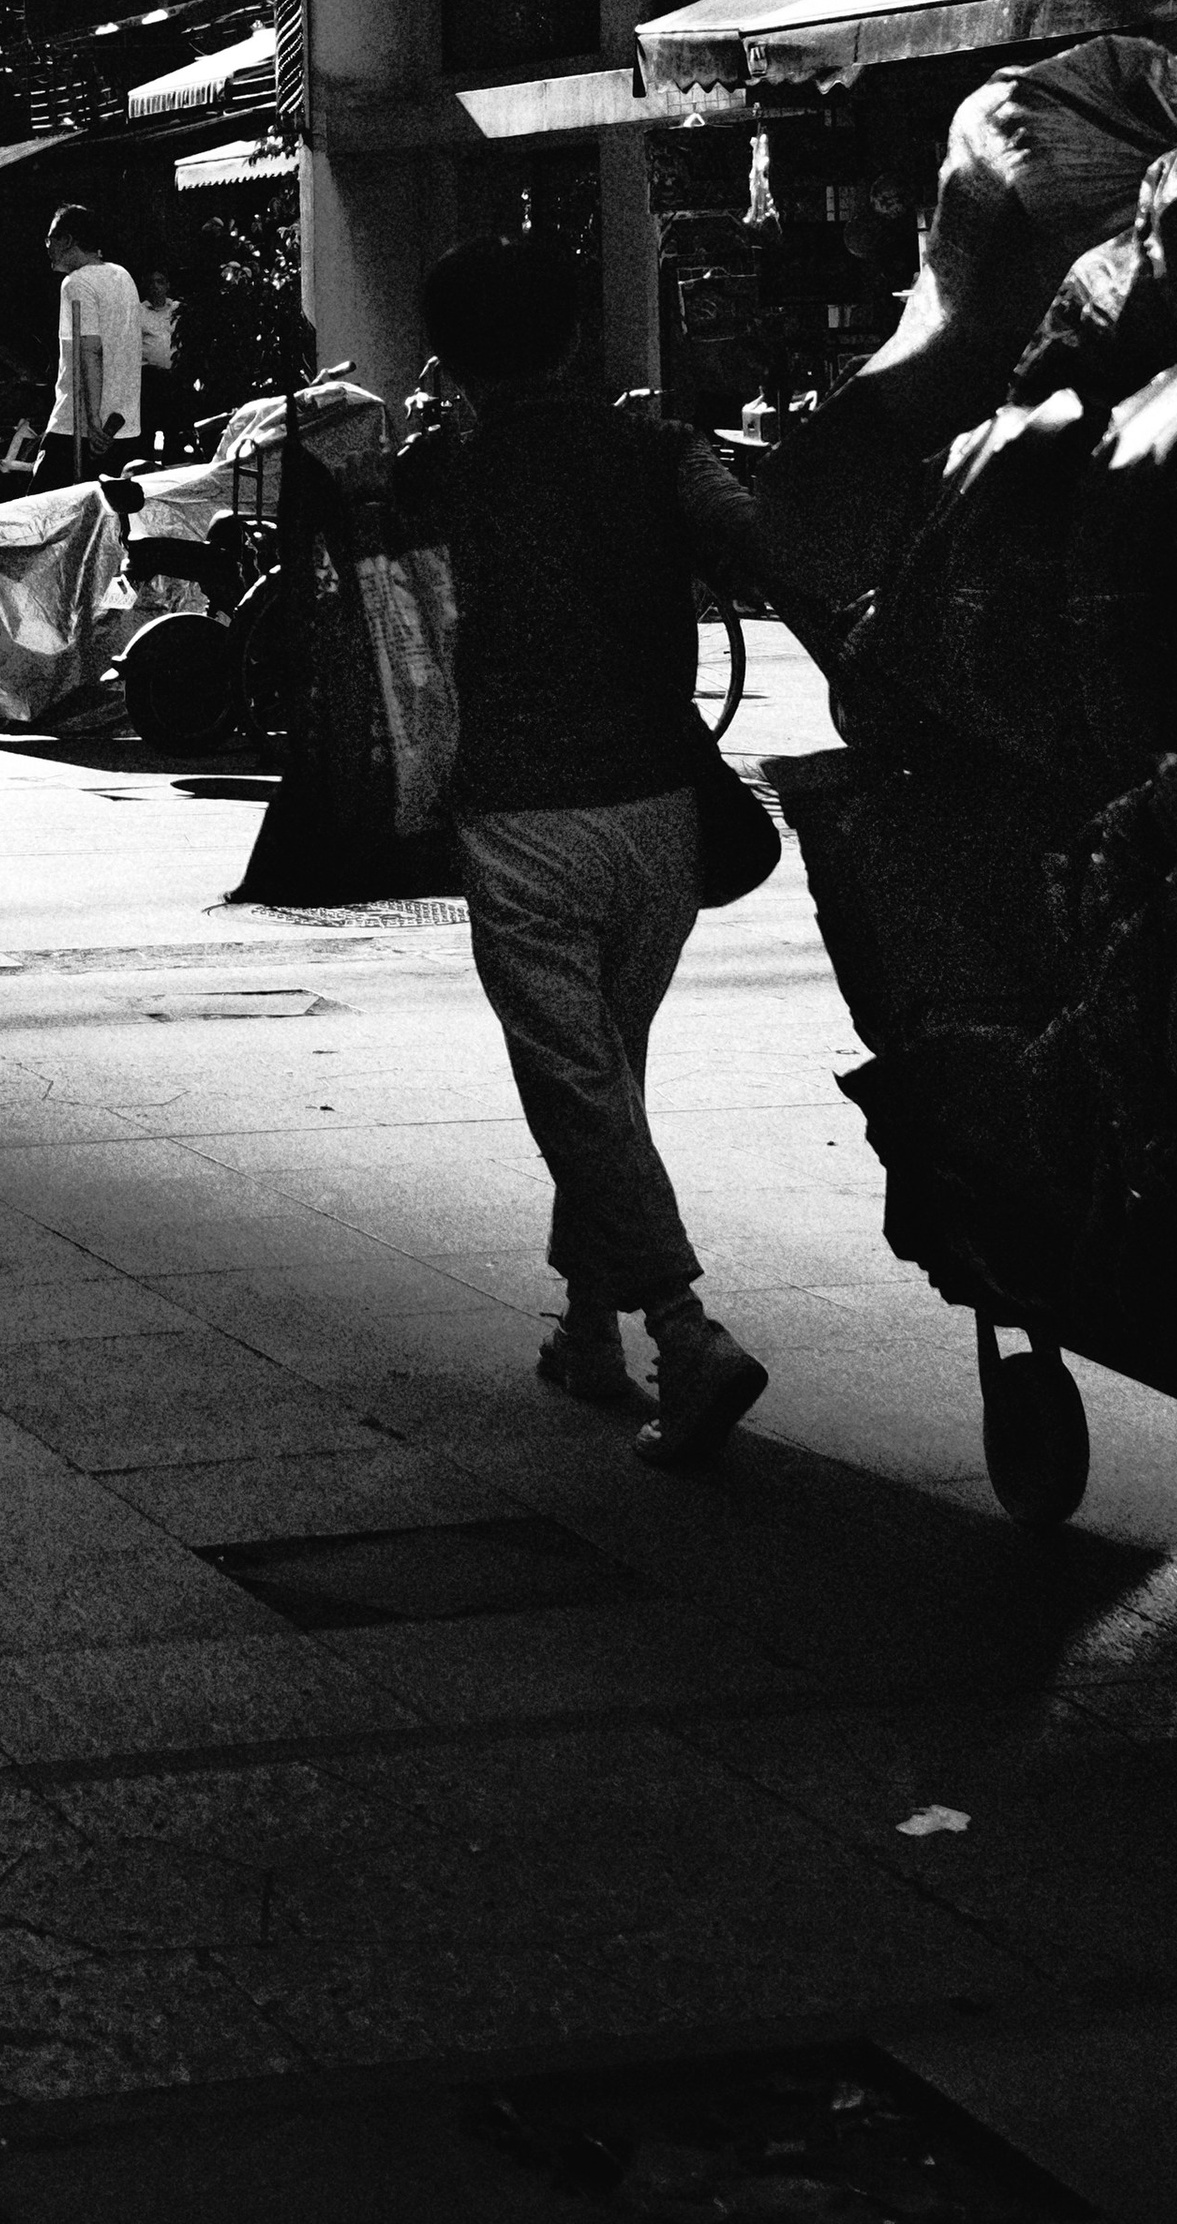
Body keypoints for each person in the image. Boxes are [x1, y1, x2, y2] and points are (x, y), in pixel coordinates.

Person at [421, 233, 769, 1470]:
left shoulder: (439, 482)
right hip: (660, 820)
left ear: (453, 362)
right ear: (574, 338)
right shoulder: (661, 454)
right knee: (606, 1078)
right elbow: (766, 552)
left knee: (579, 1087)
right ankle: (588, 1330)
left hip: (519, 819)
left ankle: (683, 1328)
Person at [34, 203, 141, 488]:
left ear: (67, 239)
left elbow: (90, 350)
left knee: (42, 514)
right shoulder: (123, 276)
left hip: (78, 426)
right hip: (122, 425)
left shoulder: (76, 282)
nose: (47, 248)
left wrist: (93, 419)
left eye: (50, 239)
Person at [137, 266, 183, 463]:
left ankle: (174, 469)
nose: (156, 287)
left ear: (167, 286)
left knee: (174, 428)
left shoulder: (178, 310)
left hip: (175, 377)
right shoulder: (139, 311)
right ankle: (144, 472)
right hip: (149, 377)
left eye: (160, 282)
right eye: (151, 282)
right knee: (147, 428)